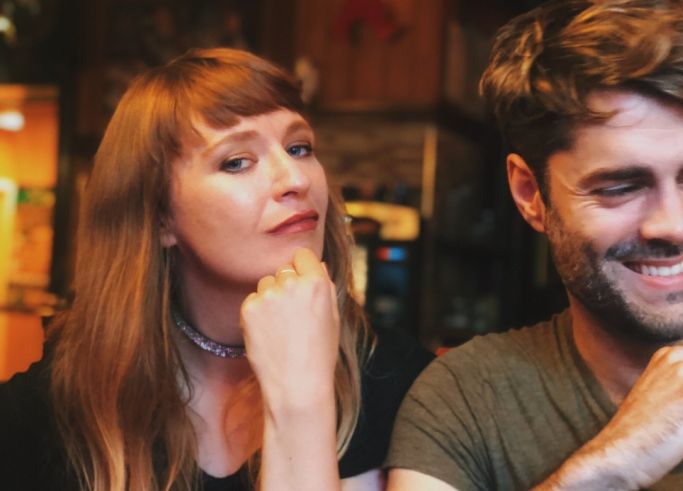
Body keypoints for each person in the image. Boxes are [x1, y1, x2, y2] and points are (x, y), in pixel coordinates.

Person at [386, 1, 683, 489]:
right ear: (530, 194)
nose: (673, 225)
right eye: (620, 187)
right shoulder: (465, 401)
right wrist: (609, 468)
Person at [0, 47, 432, 490]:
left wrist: (302, 402)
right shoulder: (61, 403)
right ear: (161, 218)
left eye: (299, 148)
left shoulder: (398, 380)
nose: (296, 180)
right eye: (237, 162)